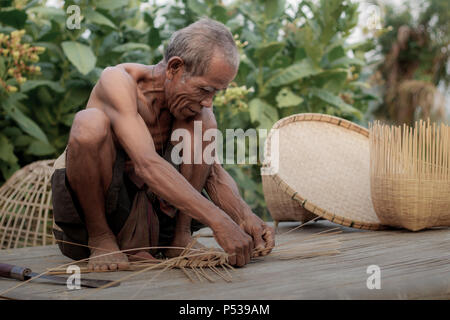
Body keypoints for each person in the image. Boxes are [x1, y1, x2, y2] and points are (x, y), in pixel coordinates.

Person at [50, 18, 275, 272]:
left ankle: (180, 238)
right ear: (175, 68)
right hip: (98, 224)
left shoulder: (191, 109)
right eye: (205, 90)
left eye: (216, 93)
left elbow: (213, 173)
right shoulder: (119, 82)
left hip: (158, 226)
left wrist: (244, 216)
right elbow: (146, 164)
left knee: (204, 122)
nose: (209, 101)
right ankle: (101, 238)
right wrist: (219, 221)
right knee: (88, 122)